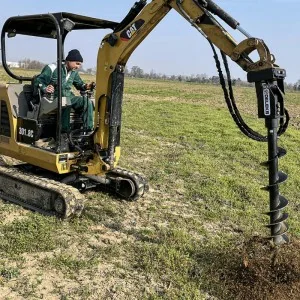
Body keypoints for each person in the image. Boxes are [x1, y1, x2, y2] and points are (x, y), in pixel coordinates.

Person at [33, 49, 94, 133]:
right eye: (77, 63)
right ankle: (64, 133)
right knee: (65, 101)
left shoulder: (73, 72)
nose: (78, 66)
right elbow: (38, 81)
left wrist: (86, 86)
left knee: (86, 101)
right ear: (69, 60)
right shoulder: (52, 68)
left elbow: (80, 85)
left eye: (80, 64)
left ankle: (88, 130)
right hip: (54, 97)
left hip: (69, 96)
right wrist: (45, 88)